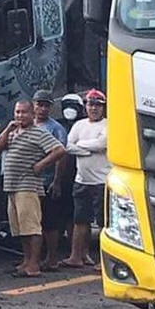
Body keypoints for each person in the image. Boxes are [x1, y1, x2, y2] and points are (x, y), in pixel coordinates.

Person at [0, 100, 57, 278]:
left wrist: (41, 165)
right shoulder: (13, 132)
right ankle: (26, 260)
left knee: (31, 227)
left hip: (27, 185)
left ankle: (34, 264)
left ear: (32, 114)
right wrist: (8, 129)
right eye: (17, 112)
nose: (20, 116)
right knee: (20, 228)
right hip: (12, 186)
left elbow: (59, 150)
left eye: (24, 112)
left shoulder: (38, 133)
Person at [60, 88, 109, 268]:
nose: (94, 108)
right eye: (91, 104)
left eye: (98, 105)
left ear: (103, 108)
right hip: (81, 180)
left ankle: (106, 260)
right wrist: (87, 149)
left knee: (105, 224)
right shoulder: (79, 125)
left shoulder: (109, 125)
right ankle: (76, 256)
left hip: (102, 181)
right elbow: (67, 146)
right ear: (85, 106)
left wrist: (81, 146)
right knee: (80, 220)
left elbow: (103, 144)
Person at [33, 92, 73, 271]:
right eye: (39, 104)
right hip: (28, 182)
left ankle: (52, 258)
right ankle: (34, 258)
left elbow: (61, 156)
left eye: (46, 105)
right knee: (34, 221)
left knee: (50, 222)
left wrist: (57, 181)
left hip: (48, 181)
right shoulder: (27, 125)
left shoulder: (56, 128)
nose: (42, 108)